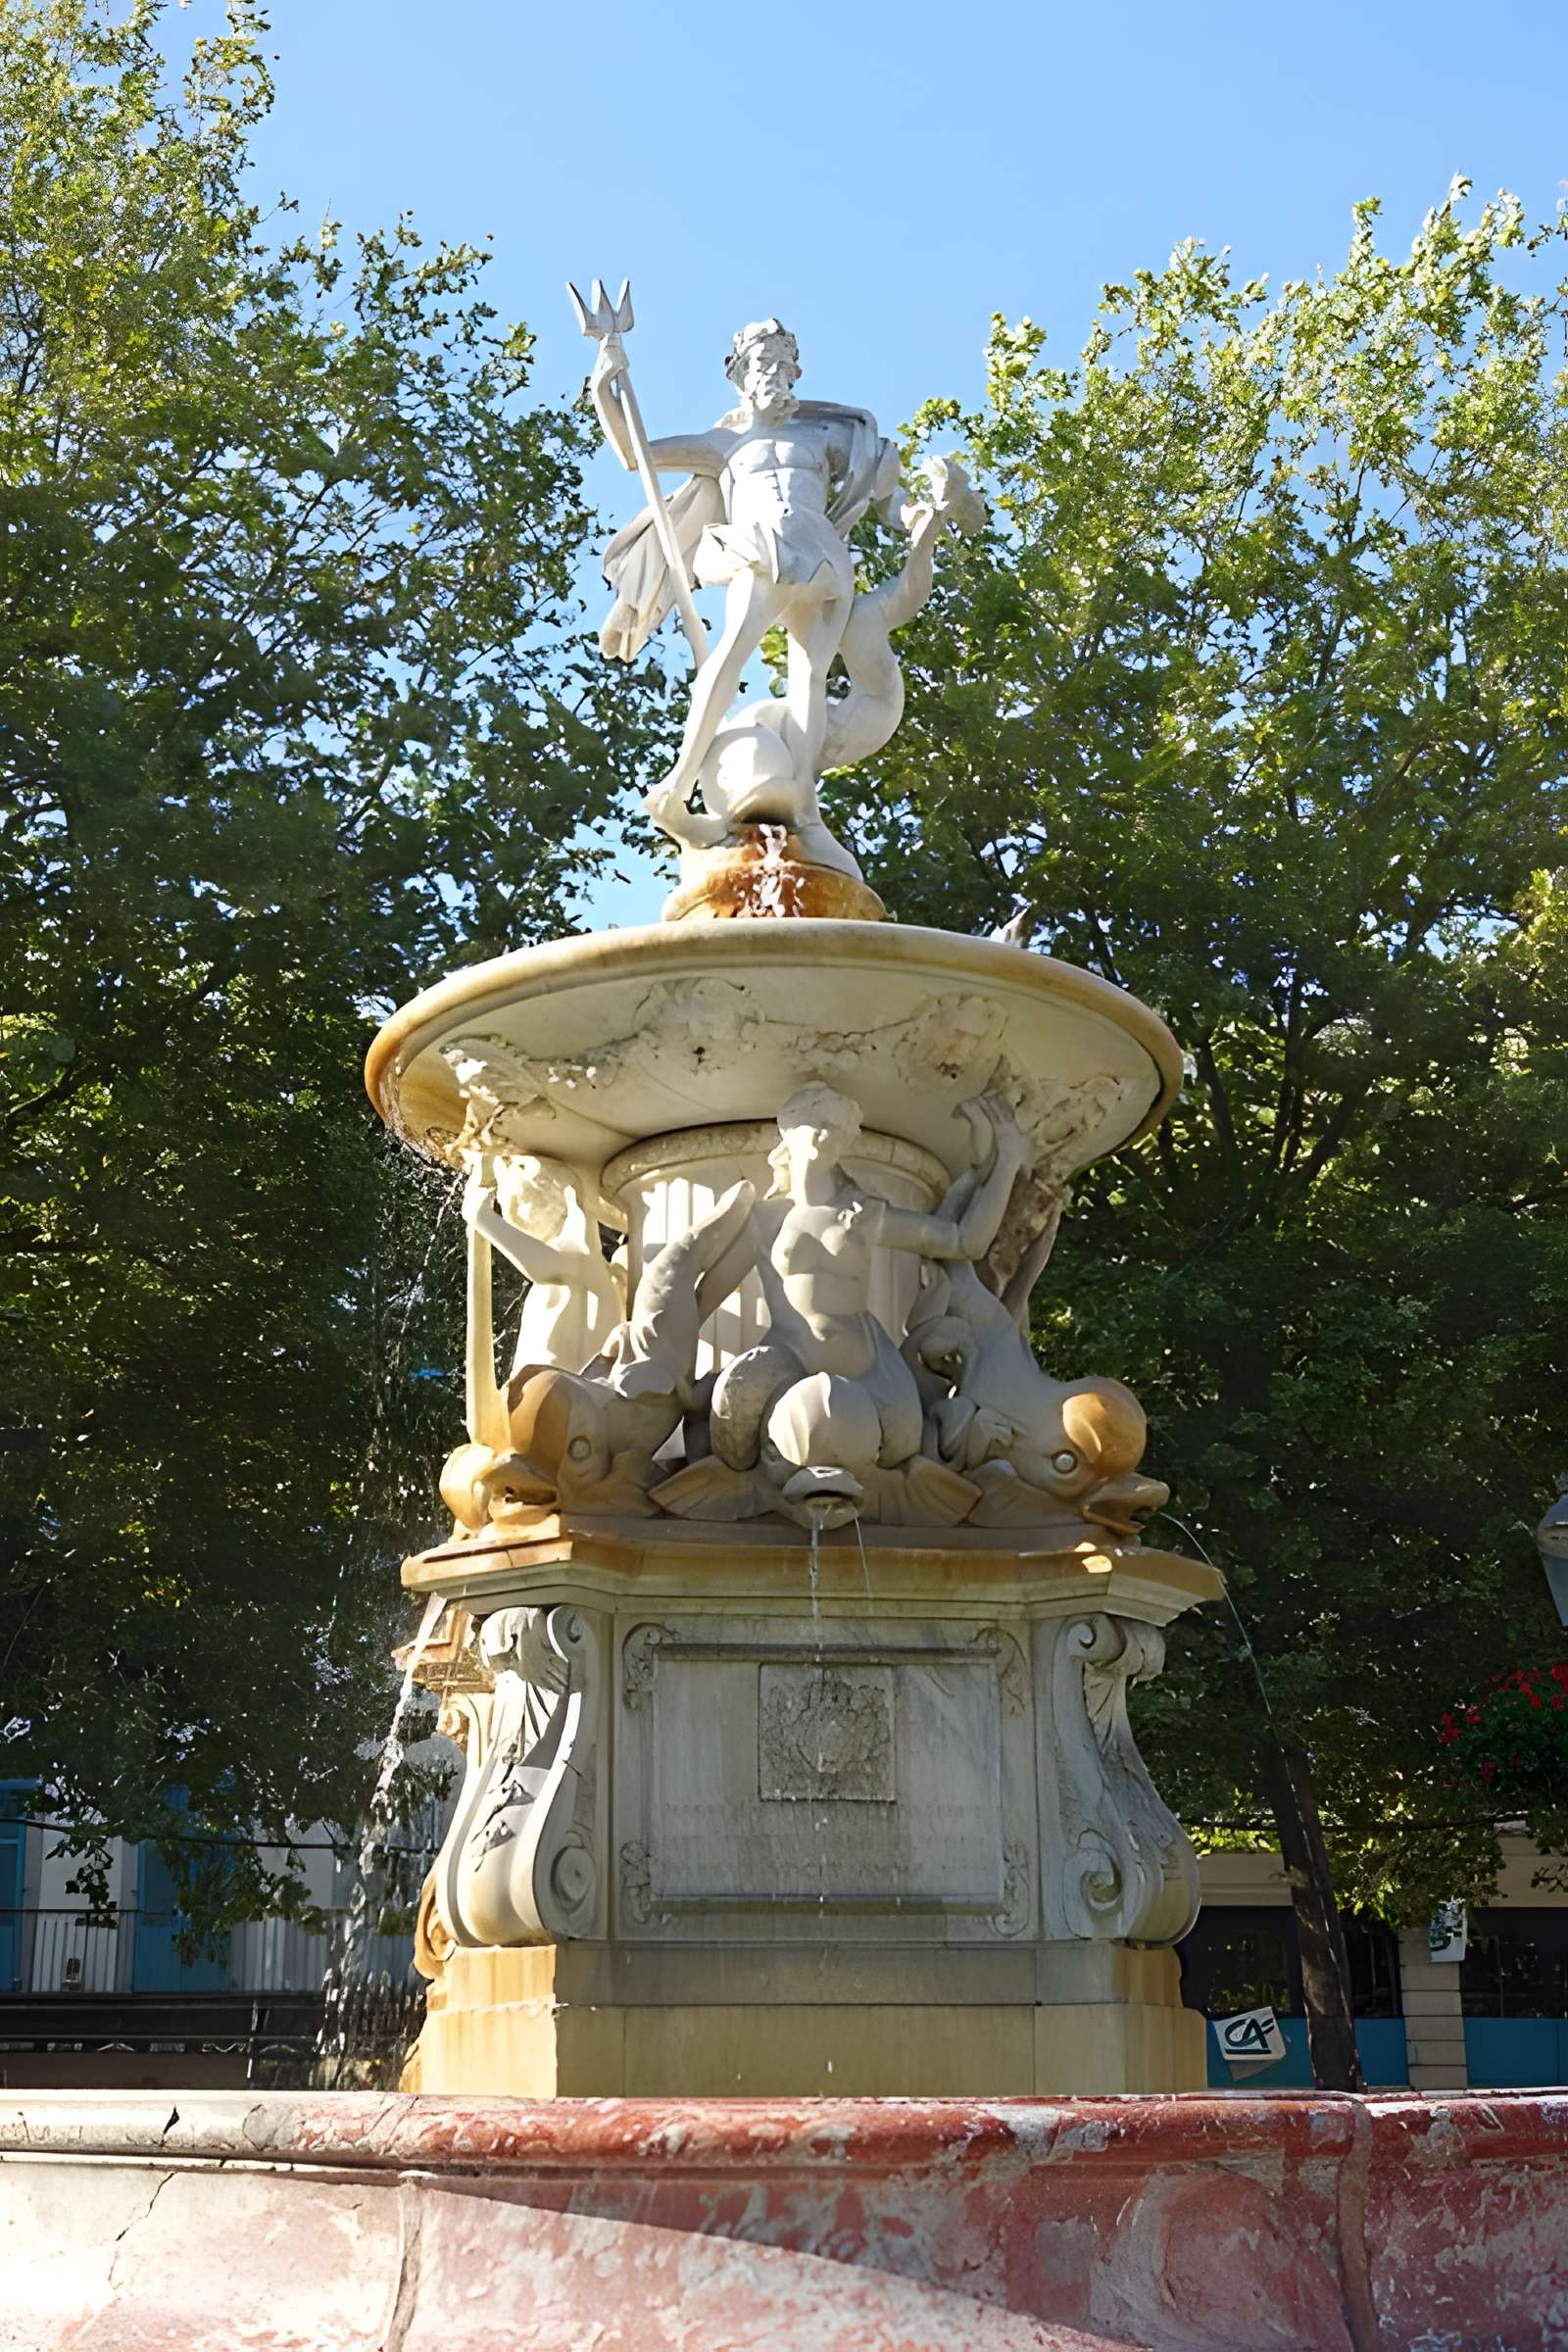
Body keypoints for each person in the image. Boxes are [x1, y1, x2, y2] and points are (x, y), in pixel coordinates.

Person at [590, 318, 898, 836]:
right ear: (739, 373)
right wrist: (605, 383)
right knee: (732, 649)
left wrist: (917, 515)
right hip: (763, 545)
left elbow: (884, 487)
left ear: (796, 370)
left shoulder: (827, 433)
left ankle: (802, 799)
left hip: (822, 552)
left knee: (810, 676)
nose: (774, 372)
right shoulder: (722, 441)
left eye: (782, 362)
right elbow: (633, 454)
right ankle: (680, 780)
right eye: (762, 363)